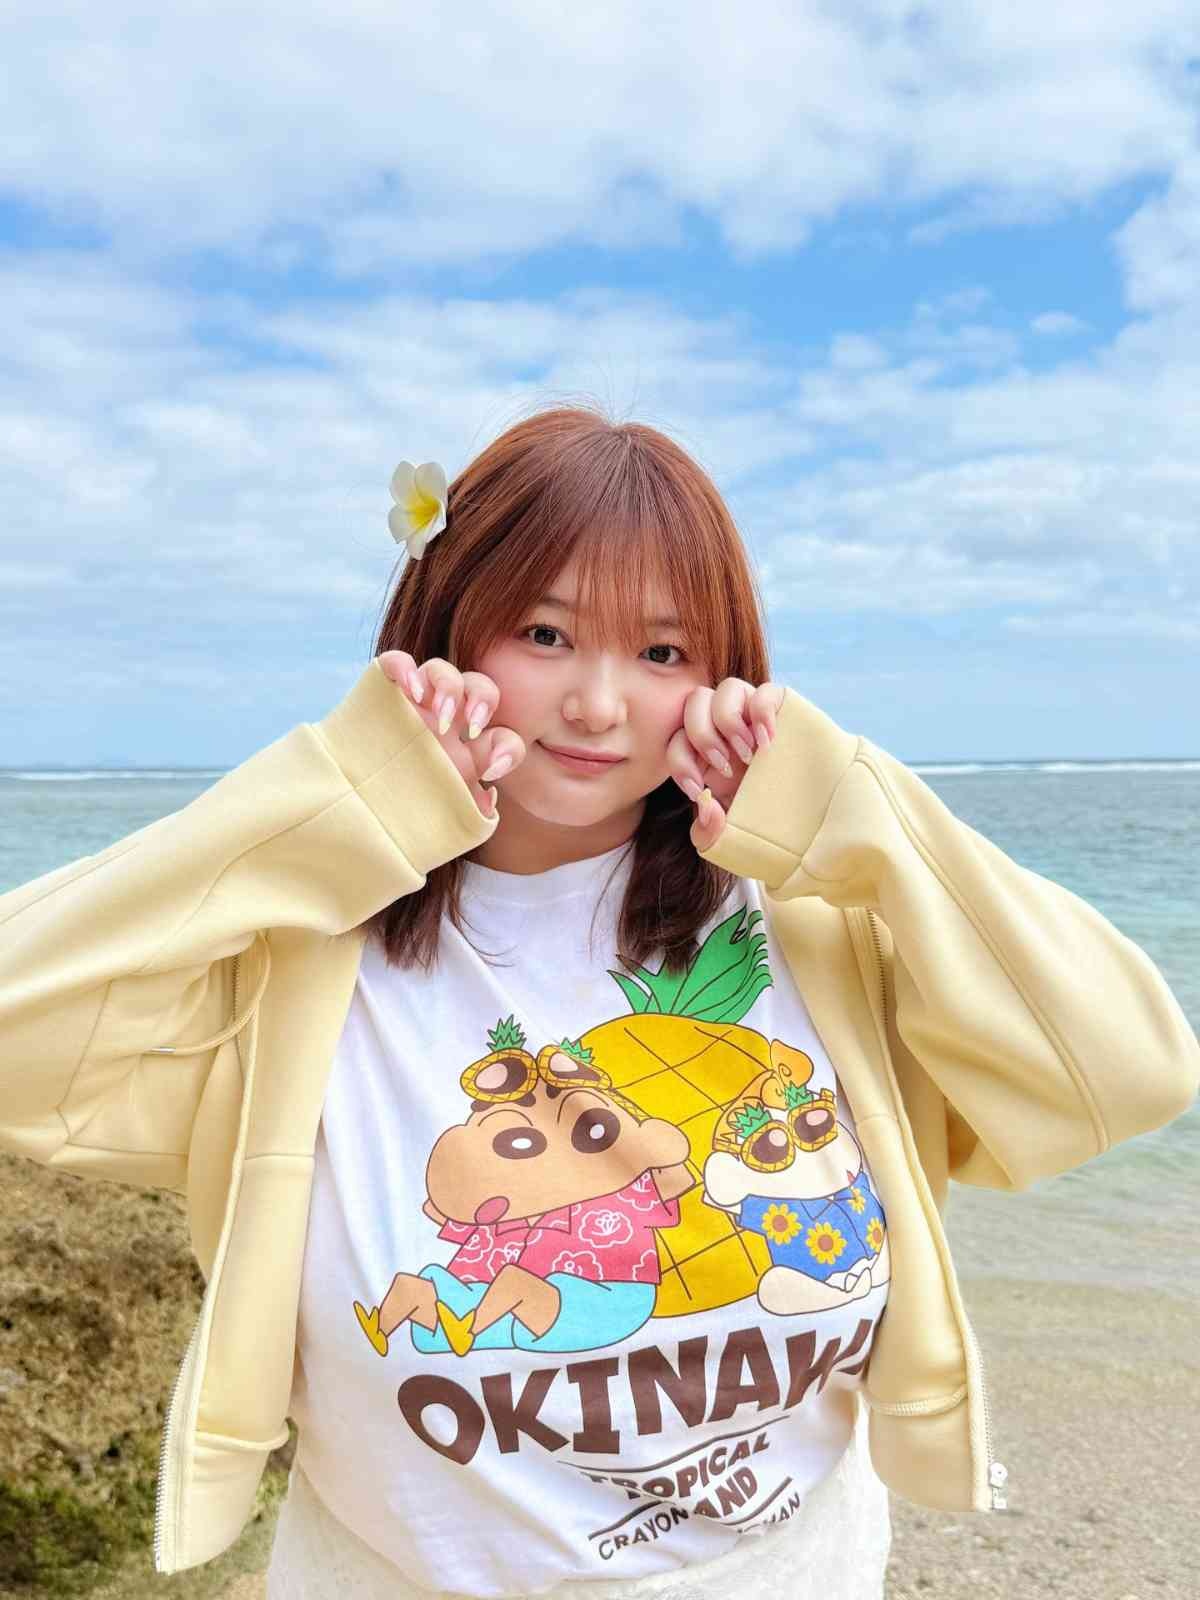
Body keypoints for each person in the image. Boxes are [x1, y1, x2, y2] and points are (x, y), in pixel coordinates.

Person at [0, 405, 1196, 1600]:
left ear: (724, 678)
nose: (597, 703)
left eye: (663, 653)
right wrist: (332, 809)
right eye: (545, 632)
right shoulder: (302, 960)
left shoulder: (817, 931)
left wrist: (863, 825)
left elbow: (1126, 1071)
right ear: (445, 623)